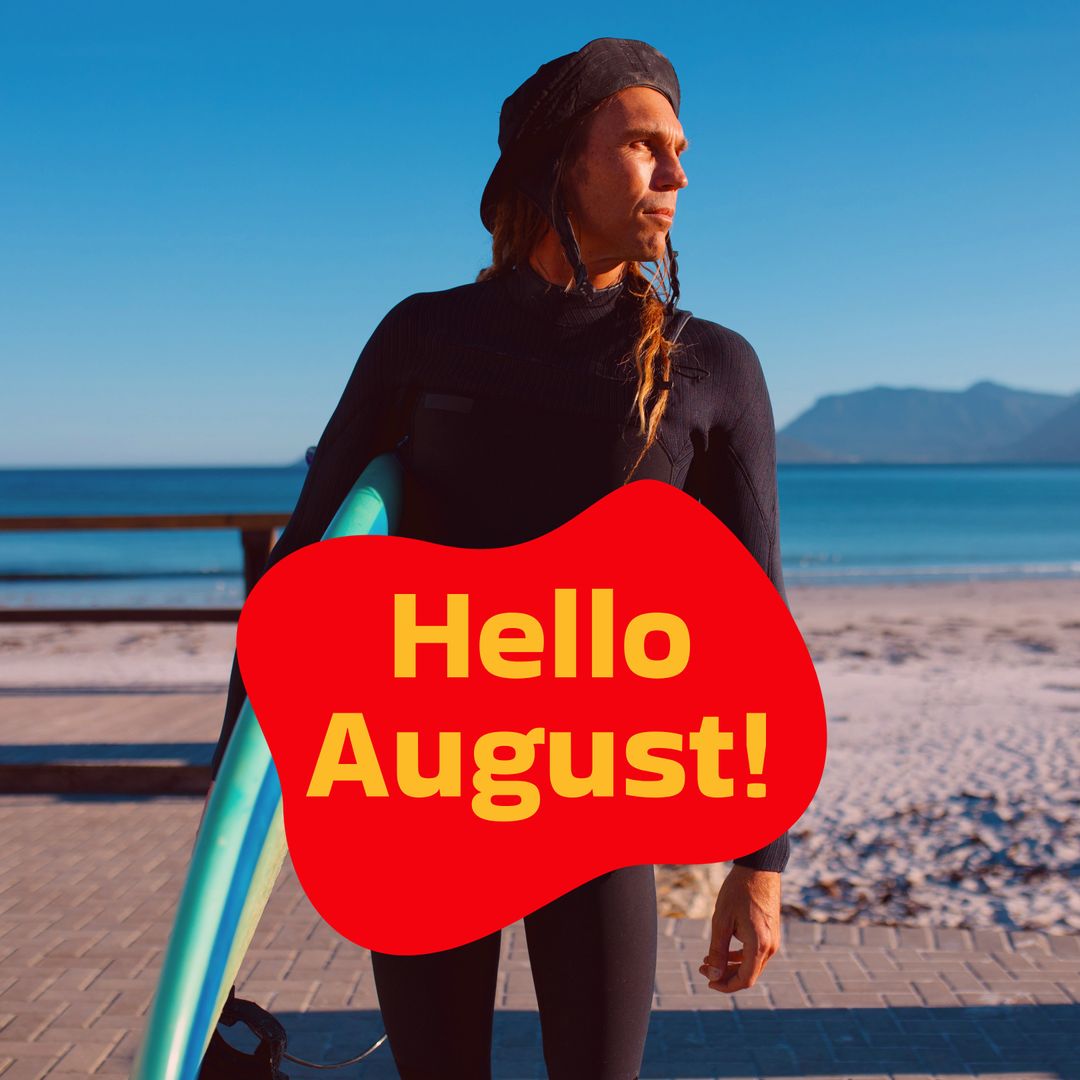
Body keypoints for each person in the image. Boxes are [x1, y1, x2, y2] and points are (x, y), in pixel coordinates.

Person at [209, 37, 789, 1079]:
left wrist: (761, 861)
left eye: (681, 150)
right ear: (563, 161)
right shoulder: (425, 336)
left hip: (596, 791)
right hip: (426, 792)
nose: (678, 175)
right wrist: (229, 833)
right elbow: (302, 575)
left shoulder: (714, 367)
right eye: (645, 146)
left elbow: (753, 616)